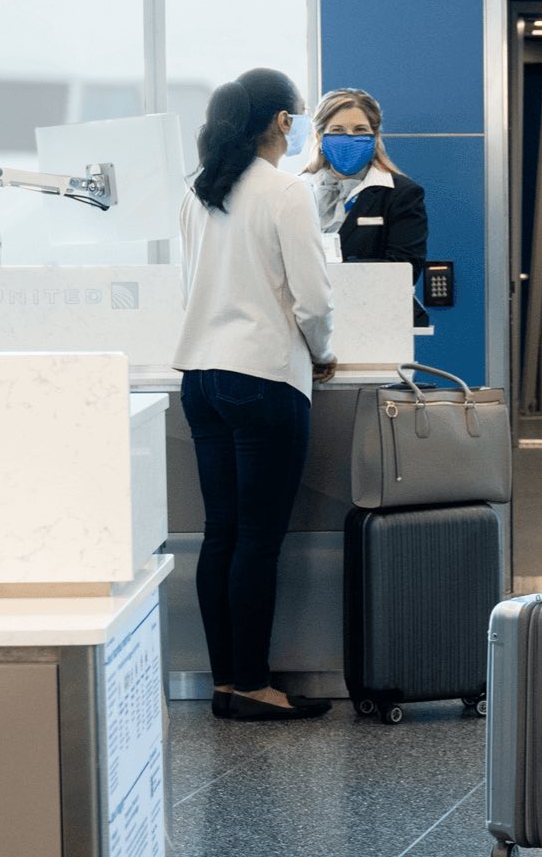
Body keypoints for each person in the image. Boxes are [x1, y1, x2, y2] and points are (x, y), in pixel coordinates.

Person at [174, 68, 336, 722]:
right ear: (278, 122)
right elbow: (314, 300)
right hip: (262, 377)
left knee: (223, 535)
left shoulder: (197, 192)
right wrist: (322, 354)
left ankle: (224, 682)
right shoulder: (284, 193)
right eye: (292, 118)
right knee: (259, 540)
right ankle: (252, 684)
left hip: (201, 379)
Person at [302, 88, 430, 326]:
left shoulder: (401, 193)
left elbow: (405, 270)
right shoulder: (297, 190)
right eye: (337, 130)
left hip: (375, 323)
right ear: (320, 138)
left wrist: (332, 274)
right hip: (305, 325)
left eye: (360, 130)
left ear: (375, 137)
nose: (349, 138)